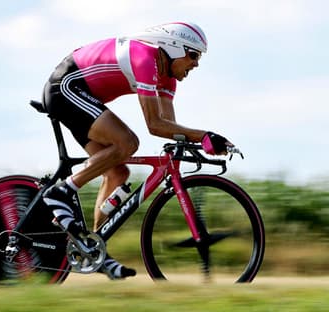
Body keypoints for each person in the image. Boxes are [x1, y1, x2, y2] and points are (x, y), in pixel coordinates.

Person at [41, 21, 233, 279]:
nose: (196, 64)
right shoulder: (146, 58)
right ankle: (61, 192)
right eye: (194, 55)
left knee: (118, 174)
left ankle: (95, 251)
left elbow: (170, 128)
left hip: (83, 96)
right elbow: (154, 125)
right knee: (127, 143)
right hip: (65, 87)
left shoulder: (168, 78)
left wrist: (203, 141)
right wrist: (204, 135)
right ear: (174, 48)